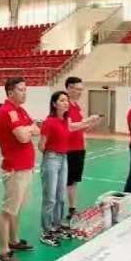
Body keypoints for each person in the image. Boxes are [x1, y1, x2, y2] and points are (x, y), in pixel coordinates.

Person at [0, 78, 38, 261]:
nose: (24, 93)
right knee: (7, 210)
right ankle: (3, 250)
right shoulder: (8, 111)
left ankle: (14, 240)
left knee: (16, 209)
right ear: (10, 92)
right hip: (14, 169)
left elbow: (35, 129)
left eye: (25, 89)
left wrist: (29, 129)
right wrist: (29, 129)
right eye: (21, 90)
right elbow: (23, 137)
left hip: (25, 167)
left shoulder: (21, 111)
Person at [64, 77, 102, 223]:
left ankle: (72, 208)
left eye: (81, 89)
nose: (80, 92)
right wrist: (87, 120)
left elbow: (82, 128)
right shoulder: (65, 105)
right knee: (66, 181)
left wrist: (93, 123)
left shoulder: (77, 107)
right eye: (77, 89)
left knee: (74, 181)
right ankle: (59, 211)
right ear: (69, 88)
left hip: (79, 148)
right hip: (67, 149)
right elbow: (70, 126)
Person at [39, 92, 72, 247]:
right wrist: (51, 155)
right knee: (50, 198)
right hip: (52, 159)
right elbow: (41, 145)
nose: (66, 103)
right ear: (54, 104)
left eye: (67, 100)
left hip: (64, 158)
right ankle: (46, 231)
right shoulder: (49, 122)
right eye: (62, 100)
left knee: (60, 197)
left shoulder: (65, 121)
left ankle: (57, 227)